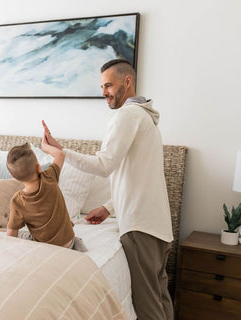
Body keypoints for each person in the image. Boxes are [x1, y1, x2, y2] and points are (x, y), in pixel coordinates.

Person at [42, 59, 174, 320]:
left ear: (127, 81)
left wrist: (61, 153)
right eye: (102, 86)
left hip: (139, 227)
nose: (104, 92)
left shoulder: (127, 115)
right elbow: (139, 176)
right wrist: (108, 208)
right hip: (158, 227)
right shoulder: (146, 119)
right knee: (161, 299)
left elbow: (104, 165)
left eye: (108, 85)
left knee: (148, 308)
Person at [5, 141, 87, 252]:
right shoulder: (49, 177)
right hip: (68, 243)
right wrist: (45, 145)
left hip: (45, 250)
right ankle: (75, 244)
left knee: (22, 235)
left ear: (14, 176)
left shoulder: (17, 201)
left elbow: (11, 234)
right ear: (38, 167)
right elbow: (60, 155)